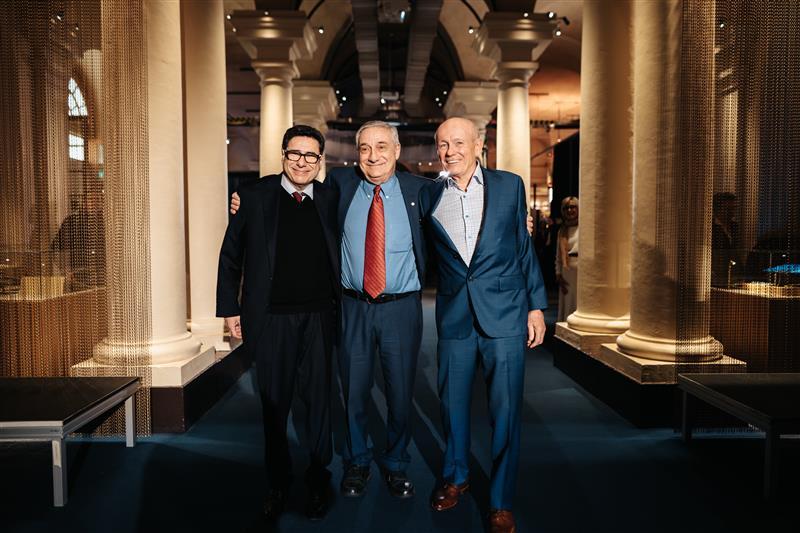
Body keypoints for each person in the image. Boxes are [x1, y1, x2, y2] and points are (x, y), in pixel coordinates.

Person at [230, 121, 430, 500]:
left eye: (382, 147)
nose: (373, 156)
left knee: (400, 392)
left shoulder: (421, 190)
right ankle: (356, 461)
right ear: (356, 153)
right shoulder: (341, 185)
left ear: (398, 151)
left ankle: (398, 464)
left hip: (401, 309)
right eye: (366, 148)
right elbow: (284, 196)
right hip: (351, 306)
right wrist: (244, 199)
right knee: (352, 391)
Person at [421, 117, 547, 533]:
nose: (449, 150)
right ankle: (456, 477)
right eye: (442, 144)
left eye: (458, 142)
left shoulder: (510, 185)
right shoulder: (427, 194)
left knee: (505, 412)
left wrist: (535, 307)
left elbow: (523, 249)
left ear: (479, 144)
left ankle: (500, 501)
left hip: (506, 314)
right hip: (455, 316)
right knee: (451, 404)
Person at [216, 125, 339, 522]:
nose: (302, 162)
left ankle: (319, 479)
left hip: (320, 317)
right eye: (295, 154)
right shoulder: (254, 197)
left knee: (319, 406)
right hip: (271, 321)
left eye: (311, 156)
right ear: (283, 155)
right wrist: (229, 310)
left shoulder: (330, 197)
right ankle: (278, 483)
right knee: (275, 406)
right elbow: (230, 256)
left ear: (321, 162)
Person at [51, 188, 105, 289]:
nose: (95, 203)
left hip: (100, 275)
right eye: (91, 200)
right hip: (77, 275)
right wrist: (66, 270)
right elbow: (56, 248)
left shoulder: (104, 222)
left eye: (97, 200)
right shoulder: (71, 222)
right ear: (84, 202)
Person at [555, 196, 579, 321]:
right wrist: (558, 274)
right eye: (566, 208)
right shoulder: (562, 230)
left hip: (582, 272)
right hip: (567, 272)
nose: (570, 210)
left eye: (573, 207)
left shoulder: (585, 228)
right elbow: (558, 256)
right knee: (567, 303)